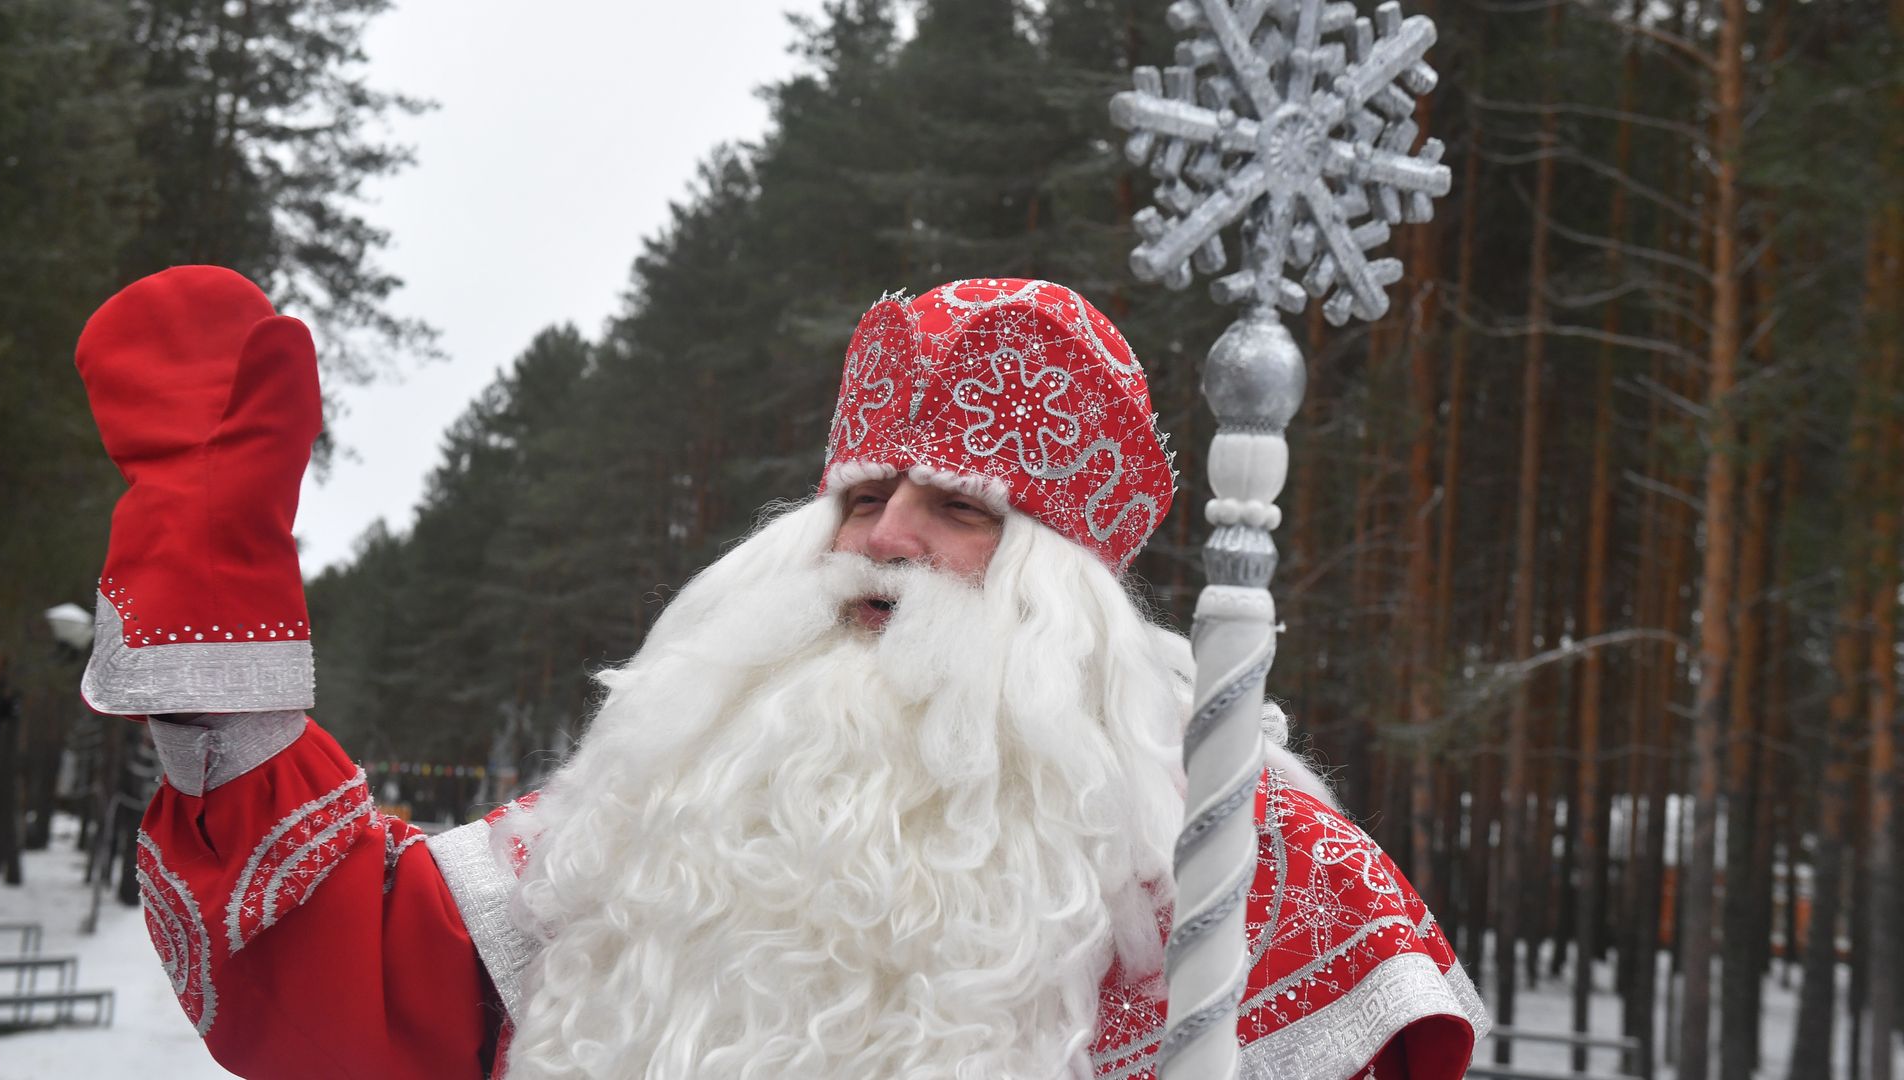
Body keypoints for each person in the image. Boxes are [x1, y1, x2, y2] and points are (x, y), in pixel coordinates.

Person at [75, 268, 1487, 1080]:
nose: (881, 540)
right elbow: (341, 984)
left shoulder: (1248, 866)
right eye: (861, 495)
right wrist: (217, 593)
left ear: (1059, 581)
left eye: (955, 508)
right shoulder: (658, 822)